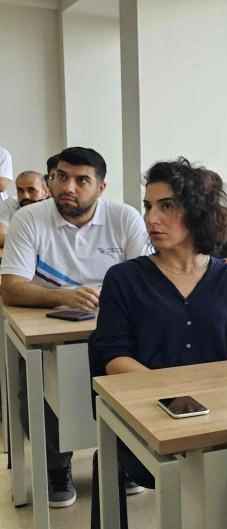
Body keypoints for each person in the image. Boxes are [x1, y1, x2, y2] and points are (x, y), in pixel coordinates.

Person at [90, 157, 227, 529]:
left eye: (166, 206)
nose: (151, 218)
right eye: (148, 206)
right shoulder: (124, 278)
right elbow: (111, 355)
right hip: (149, 417)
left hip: (221, 417)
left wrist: (220, 397)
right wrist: (174, 394)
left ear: (198, 212)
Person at [0, 146, 150, 508]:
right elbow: (11, 288)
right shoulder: (29, 218)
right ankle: (56, 467)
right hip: (48, 327)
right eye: (61, 177)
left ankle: (125, 460)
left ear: (101, 187)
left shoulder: (124, 217)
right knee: (41, 379)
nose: (68, 187)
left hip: (114, 324)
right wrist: (64, 296)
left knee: (135, 368)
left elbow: (146, 281)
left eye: (82, 180)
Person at [0, 169, 50, 246]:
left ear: (45, 192)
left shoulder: (53, 209)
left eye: (31, 190)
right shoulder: (10, 204)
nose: (25, 196)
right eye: (20, 190)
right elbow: (1, 237)